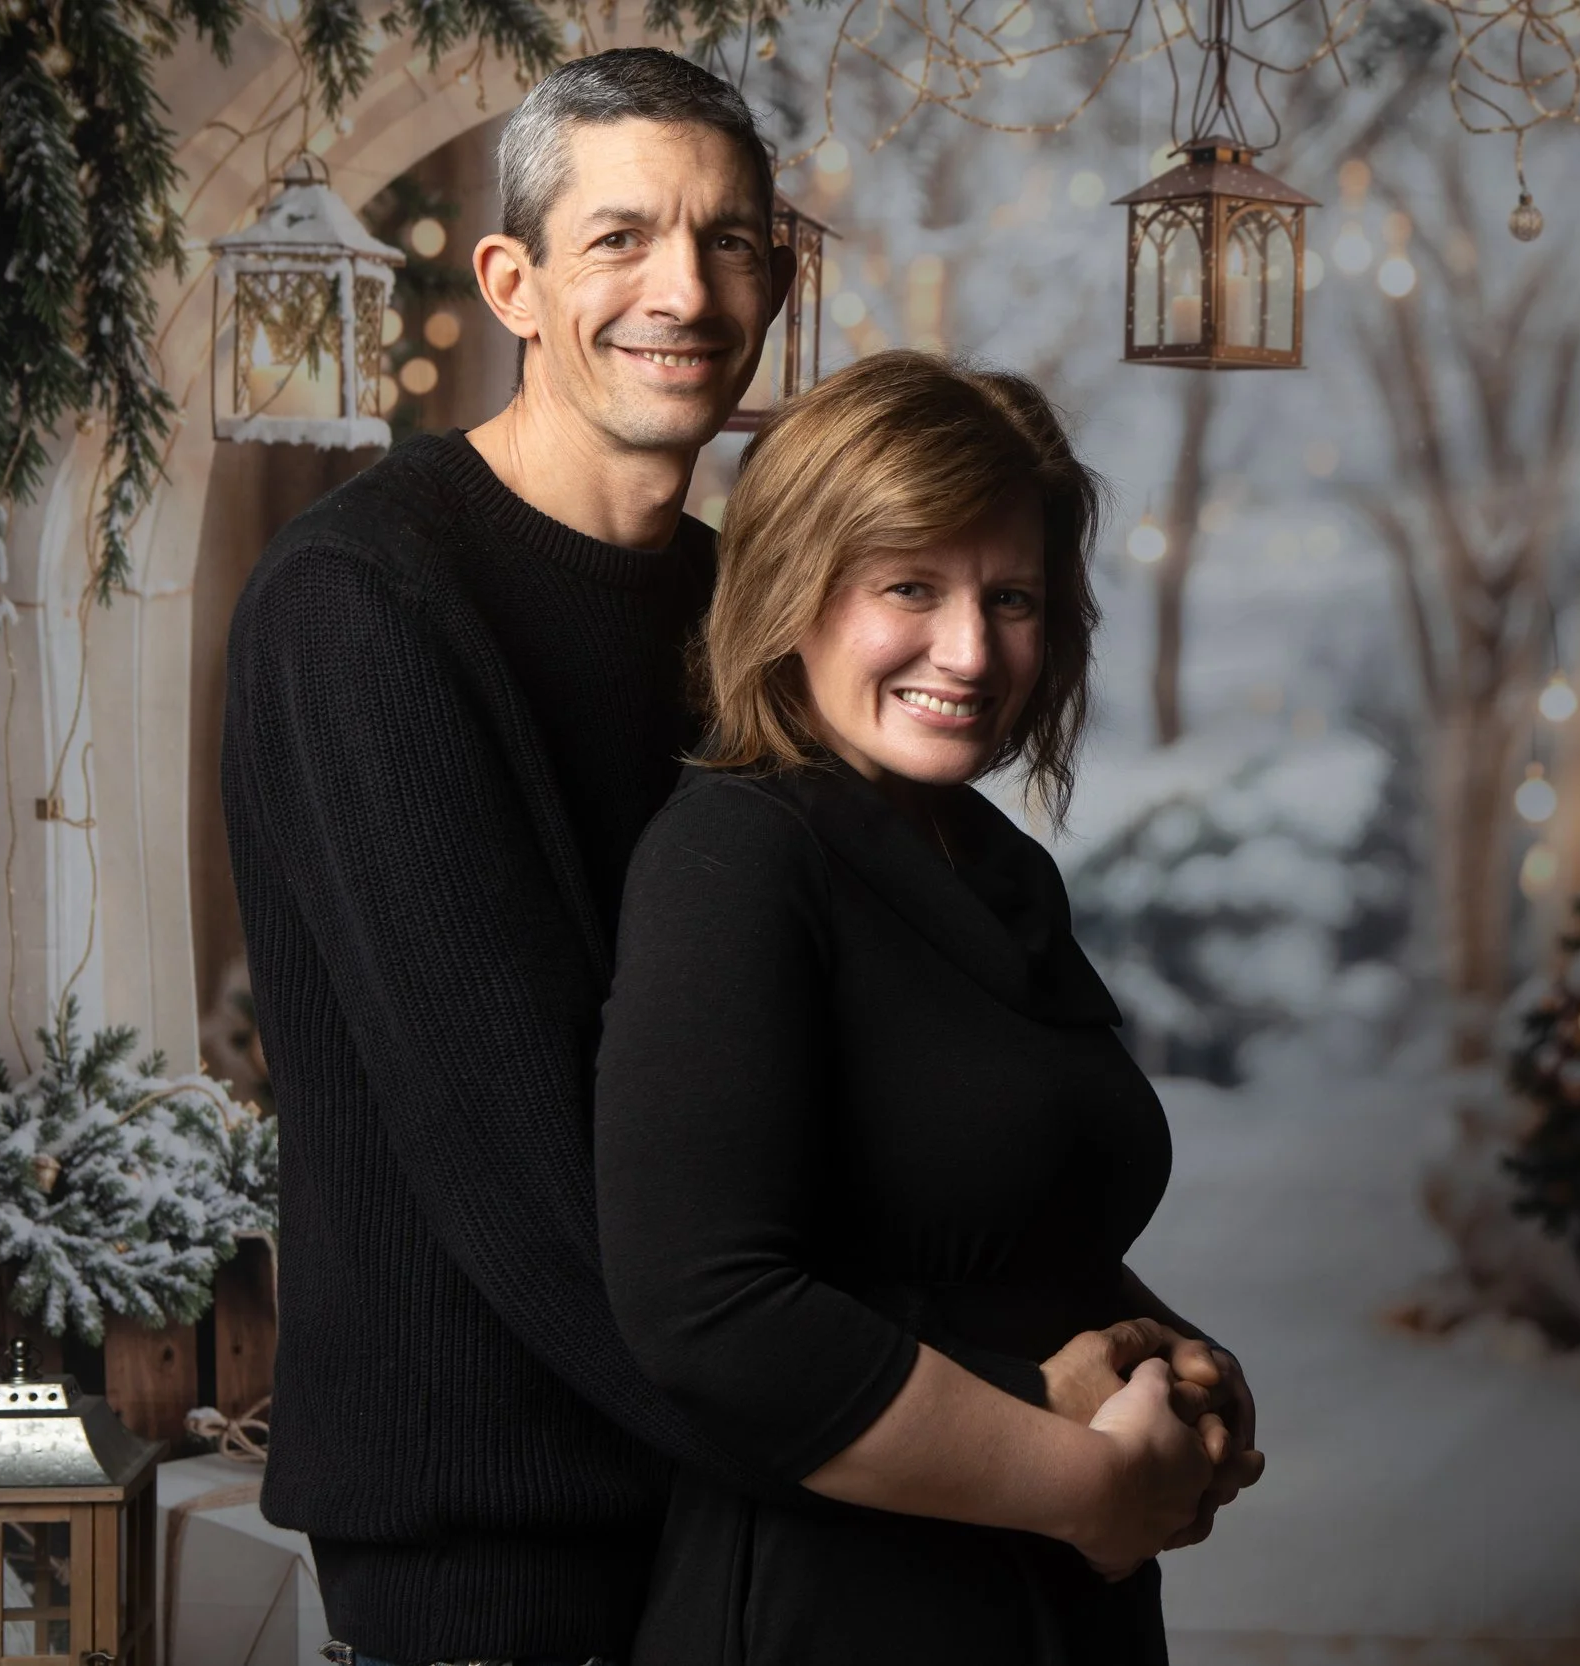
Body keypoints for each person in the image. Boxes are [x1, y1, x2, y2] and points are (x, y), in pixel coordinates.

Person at [221, 52, 1219, 1664]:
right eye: (620, 237)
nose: (683, 290)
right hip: (509, 1552)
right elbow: (549, 1187)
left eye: (730, 241)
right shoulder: (365, 607)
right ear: (512, 283)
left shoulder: (756, 615)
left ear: (779, 280)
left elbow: (866, 1109)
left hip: (775, 1534)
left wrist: (1134, 1347)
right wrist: (1020, 1425)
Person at [594, 350, 1266, 1663]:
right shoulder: (735, 857)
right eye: (910, 585)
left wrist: (1168, 1357)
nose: (970, 650)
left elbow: (997, 1229)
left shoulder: (991, 863)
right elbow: (708, 1314)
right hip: (839, 1611)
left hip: (1055, 1603)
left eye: (1012, 598)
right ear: (792, 586)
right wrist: (1089, 1483)